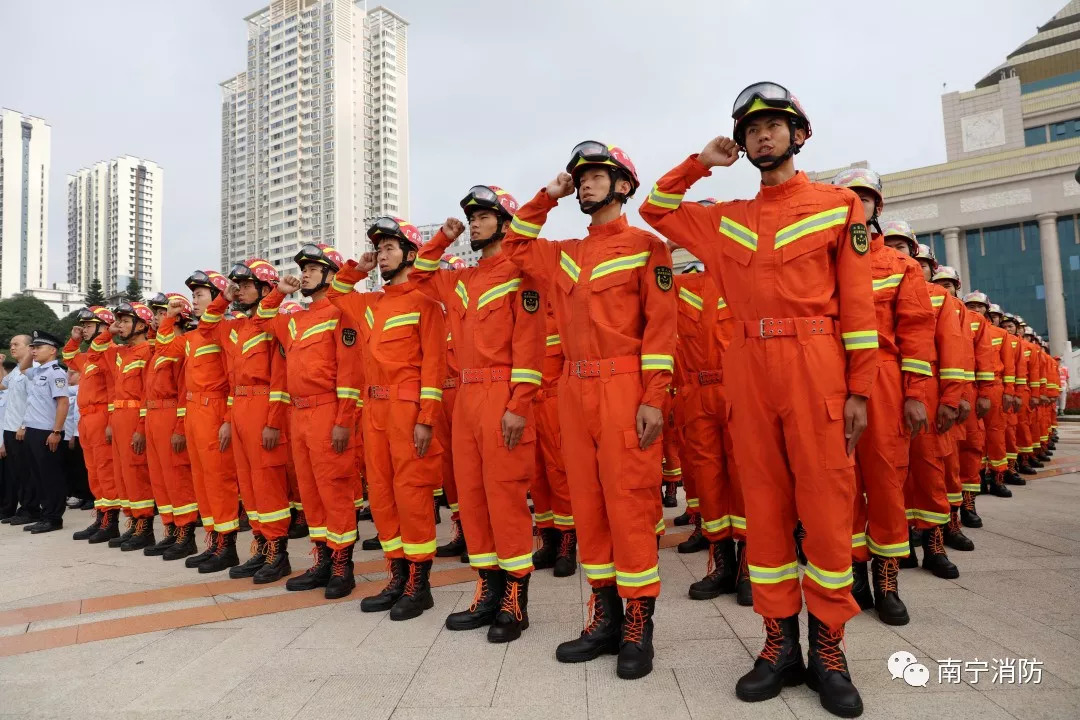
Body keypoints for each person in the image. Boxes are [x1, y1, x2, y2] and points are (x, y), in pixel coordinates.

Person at [640, 83, 876, 716]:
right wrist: (699, 163)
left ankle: (830, 646)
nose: (763, 136)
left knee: (826, 507)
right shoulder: (727, 220)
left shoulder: (838, 206)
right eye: (751, 129)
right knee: (764, 508)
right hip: (747, 369)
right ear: (741, 144)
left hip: (816, 366)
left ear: (800, 135)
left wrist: (860, 386)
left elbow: (856, 303)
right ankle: (778, 645)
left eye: (775, 125)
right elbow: (656, 210)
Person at [504, 140, 676, 680]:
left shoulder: (648, 247)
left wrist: (653, 397)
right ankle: (603, 617)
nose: (586, 184)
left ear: (624, 184)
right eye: (580, 179)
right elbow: (513, 246)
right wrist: (545, 196)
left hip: (625, 390)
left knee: (629, 506)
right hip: (575, 393)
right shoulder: (564, 255)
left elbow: (661, 329)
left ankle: (638, 625)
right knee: (589, 507)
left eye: (598, 177)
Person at [410, 186, 545, 642]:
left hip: (501, 395)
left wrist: (519, 405)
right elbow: (420, 276)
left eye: (483, 217)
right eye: (471, 218)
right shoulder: (463, 278)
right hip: (466, 398)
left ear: (505, 223)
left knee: (505, 498)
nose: (474, 224)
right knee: (471, 498)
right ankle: (487, 589)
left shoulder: (520, 273)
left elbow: (530, 344)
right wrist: (441, 239)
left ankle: (514, 600)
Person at [325, 221, 447, 618]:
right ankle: (397, 575)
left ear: (411, 254)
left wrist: (426, 417)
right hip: (373, 410)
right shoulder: (371, 302)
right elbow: (335, 294)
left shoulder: (425, 302)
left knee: (411, 494)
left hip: (407, 410)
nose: (382, 254)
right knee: (380, 493)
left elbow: (434, 364)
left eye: (391, 247)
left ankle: (419, 583)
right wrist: (356, 269)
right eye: (379, 249)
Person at [828, 177, 933, 628]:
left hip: (886, 378)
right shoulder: (822, 258)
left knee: (886, 480)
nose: (857, 203)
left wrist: (916, 394)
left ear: (875, 207)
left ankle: (887, 578)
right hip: (832, 377)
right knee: (841, 480)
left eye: (865, 197)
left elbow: (915, 332)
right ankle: (854, 575)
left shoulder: (899, 264)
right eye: (849, 197)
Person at [254, 245, 364, 600]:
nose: (304, 273)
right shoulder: (297, 319)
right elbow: (261, 321)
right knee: (310, 492)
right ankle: (322, 559)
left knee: (334, 489)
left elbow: (350, 370)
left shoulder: (340, 312)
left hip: (328, 411)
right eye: (303, 268)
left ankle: (342, 566)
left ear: (331, 275)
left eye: (313, 269)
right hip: (299, 414)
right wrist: (278, 293)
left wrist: (344, 419)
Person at [669, 239, 749, 605]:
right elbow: (648, 285)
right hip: (696, 394)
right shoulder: (680, 287)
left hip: (738, 391)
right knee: (708, 479)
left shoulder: (740, 279)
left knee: (745, 479)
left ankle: (750, 564)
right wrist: (666, 248)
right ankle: (721, 564)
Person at [210, 259, 294, 584]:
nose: (241, 291)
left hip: (262, 410)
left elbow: (281, 378)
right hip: (241, 409)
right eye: (238, 286)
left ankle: (278, 553)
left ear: (263, 290)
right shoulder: (237, 329)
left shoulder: (275, 325)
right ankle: (260, 547)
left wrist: (273, 421)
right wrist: (224, 299)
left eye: (246, 286)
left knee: (268, 483)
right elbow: (205, 328)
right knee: (248, 484)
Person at [157, 271, 243, 573]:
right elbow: (165, 350)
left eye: (200, 295)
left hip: (215, 410)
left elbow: (235, 378)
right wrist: (168, 318)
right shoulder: (192, 337)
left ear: (218, 296)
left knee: (219, 481)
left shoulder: (228, 330)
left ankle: (228, 546)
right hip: (194, 412)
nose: (193, 301)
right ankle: (214, 542)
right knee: (203, 482)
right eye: (193, 296)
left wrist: (228, 419)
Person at [94, 303, 158, 550]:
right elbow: (95, 352)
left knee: (136, 473)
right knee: (122, 475)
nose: (119, 325)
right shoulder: (121, 352)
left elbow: (146, 393)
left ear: (141, 325)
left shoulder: (147, 351)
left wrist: (141, 427)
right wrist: (109, 331)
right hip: (119, 416)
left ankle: (145, 529)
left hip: (134, 415)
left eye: (125, 321)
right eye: (118, 320)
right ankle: (132, 524)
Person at [142, 293, 201, 559]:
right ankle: (170, 530)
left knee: (177, 478)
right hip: (155, 417)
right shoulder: (160, 350)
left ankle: (186, 534)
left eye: (162, 313)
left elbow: (183, 390)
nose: (156, 317)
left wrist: (179, 427)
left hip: (170, 416)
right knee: (161, 479)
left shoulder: (182, 346)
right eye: (156, 313)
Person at [62, 309, 122, 542]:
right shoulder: (90, 355)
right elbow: (69, 357)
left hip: (101, 415)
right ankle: (101, 517)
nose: (84, 329)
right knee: (94, 471)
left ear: (104, 328)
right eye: (83, 325)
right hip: (86, 418)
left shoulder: (113, 352)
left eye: (89, 325)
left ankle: (111, 522)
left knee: (105, 470)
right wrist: (75, 339)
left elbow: (113, 389)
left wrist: (109, 421)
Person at [529, 298, 576, 577]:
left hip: (555, 406)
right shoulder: (522, 317)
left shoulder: (563, 316)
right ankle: (548, 540)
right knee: (536, 477)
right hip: (527, 406)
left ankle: (567, 544)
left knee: (560, 476)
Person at [20, 330, 71, 533]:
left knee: (50, 476)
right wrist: (29, 351)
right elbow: (22, 368)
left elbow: (63, 402)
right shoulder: (38, 371)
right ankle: (45, 514)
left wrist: (56, 431)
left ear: (52, 351)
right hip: (33, 430)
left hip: (48, 432)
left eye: (38, 347)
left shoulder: (56, 372)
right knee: (38, 475)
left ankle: (53, 518)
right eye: (33, 347)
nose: (34, 352)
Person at [1, 335, 38, 526]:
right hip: (9, 428)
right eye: (10, 344)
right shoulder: (16, 370)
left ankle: (31, 510)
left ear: (29, 347)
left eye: (16, 344)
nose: (12, 347)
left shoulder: (31, 370)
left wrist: (24, 425)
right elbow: (3, 384)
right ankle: (23, 508)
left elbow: (33, 399)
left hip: (21, 428)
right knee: (17, 472)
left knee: (26, 472)